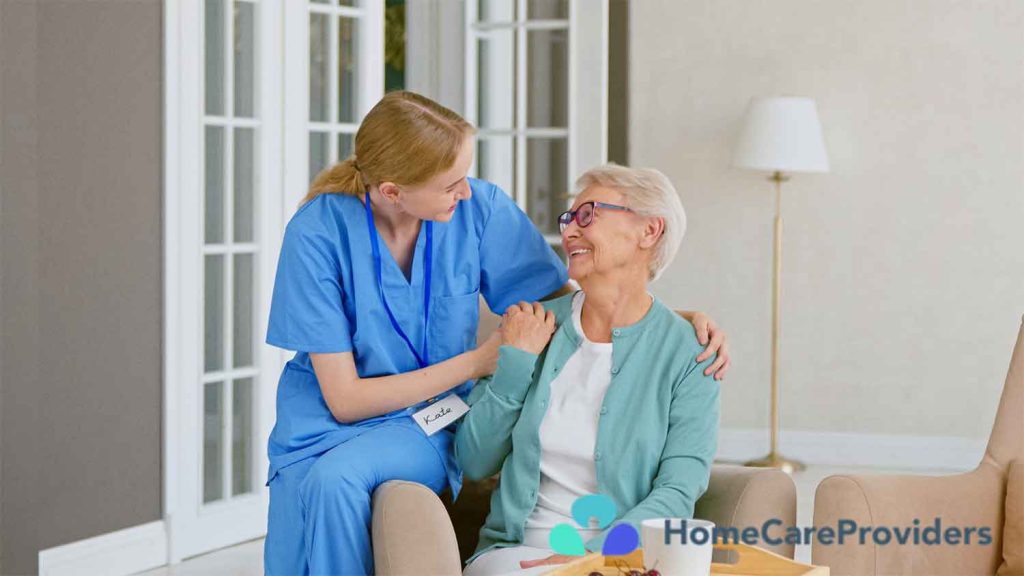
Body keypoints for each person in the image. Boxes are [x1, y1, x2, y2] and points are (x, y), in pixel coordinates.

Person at [263, 91, 731, 575]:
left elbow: (582, 298)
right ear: (392, 191)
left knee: (335, 482)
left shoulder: (478, 210)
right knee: (304, 506)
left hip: (423, 421)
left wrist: (673, 323)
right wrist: (479, 362)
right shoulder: (317, 233)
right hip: (325, 420)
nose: (466, 191)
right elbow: (344, 399)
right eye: (450, 184)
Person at [457, 164, 720, 576]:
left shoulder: (689, 353)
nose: (569, 232)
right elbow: (473, 461)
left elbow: (678, 489)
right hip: (518, 554)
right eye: (568, 219)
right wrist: (515, 365)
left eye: (587, 215)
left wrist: (594, 555)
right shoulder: (531, 326)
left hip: (621, 561)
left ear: (649, 232)